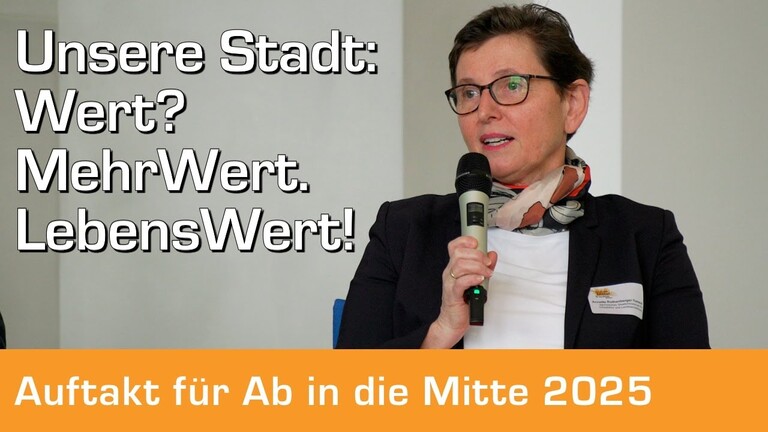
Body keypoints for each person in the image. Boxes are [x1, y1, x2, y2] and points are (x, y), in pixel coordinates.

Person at [336, 4, 708, 349]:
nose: (484, 110)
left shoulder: (644, 237)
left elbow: (695, 391)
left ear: (572, 104)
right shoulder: (403, 230)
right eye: (469, 92)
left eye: (512, 85)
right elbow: (345, 389)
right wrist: (441, 332)